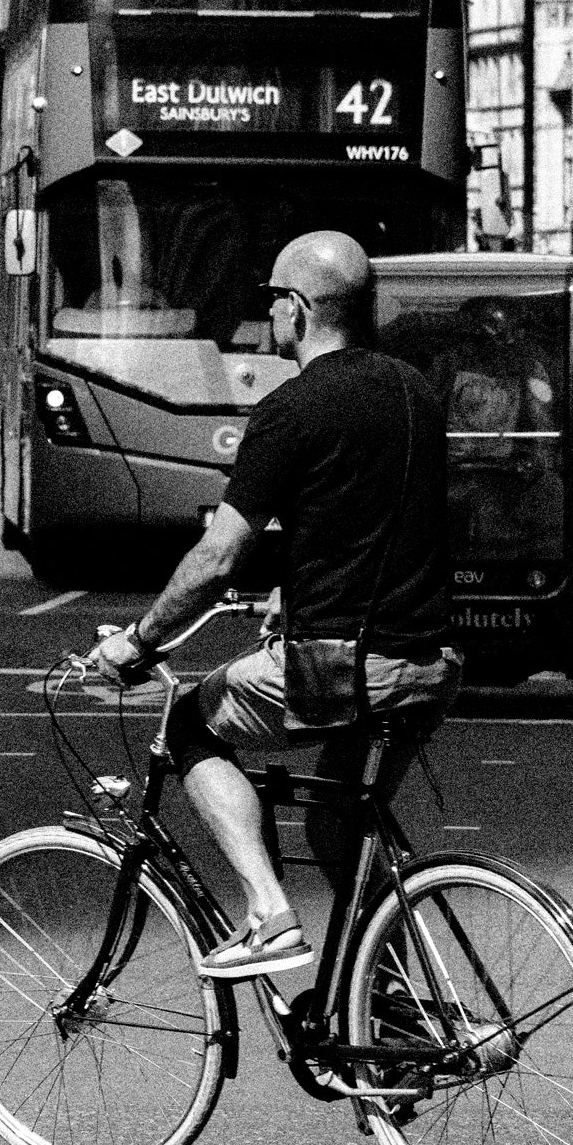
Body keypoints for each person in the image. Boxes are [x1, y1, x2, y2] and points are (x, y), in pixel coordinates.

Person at [90, 231, 460, 979]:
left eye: (271, 303)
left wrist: (139, 640)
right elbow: (376, 513)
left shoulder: (290, 409)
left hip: (343, 667)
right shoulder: (415, 391)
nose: (269, 320)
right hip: (430, 661)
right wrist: (300, 586)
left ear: (296, 308)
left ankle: (267, 913)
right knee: (337, 825)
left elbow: (217, 557)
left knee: (189, 720)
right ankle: (390, 1016)